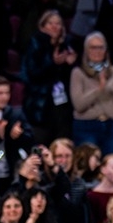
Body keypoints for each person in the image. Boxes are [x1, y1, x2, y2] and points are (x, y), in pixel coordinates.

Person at [23, 9, 77, 141]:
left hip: (62, 104)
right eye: (50, 23)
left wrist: (71, 64)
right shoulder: (35, 43)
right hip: (40, 104)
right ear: (42, 26)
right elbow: (33, 73)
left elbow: (71, 78)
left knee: (62, 140)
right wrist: (52, 62)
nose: (54, 26)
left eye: (58, 23)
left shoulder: (67, 45)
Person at [70, 32, 113, 153]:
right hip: (86, 126)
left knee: (111, 165)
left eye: (101, 47)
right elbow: (79, 105)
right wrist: (99, 90)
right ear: (86, 50)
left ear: (106, 50)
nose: (97, 51)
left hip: (109, 126)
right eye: (93, 47)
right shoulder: (78, 73)